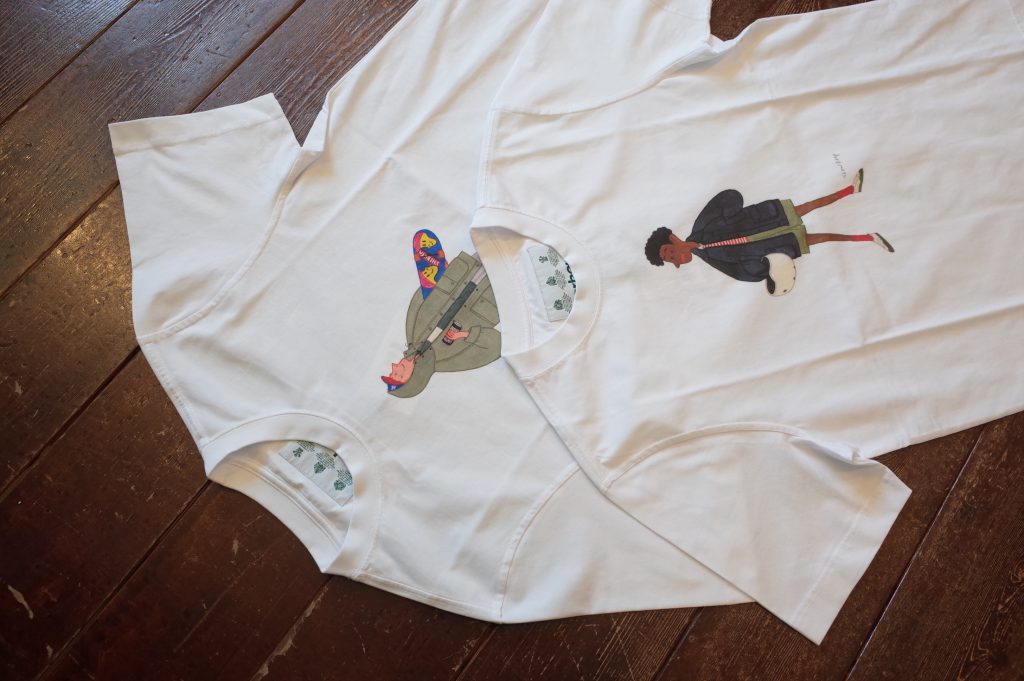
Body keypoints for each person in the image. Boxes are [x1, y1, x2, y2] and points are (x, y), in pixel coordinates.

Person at [644, 169, 893, 295]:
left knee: (810, 206)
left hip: (767, 219)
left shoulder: (703, 226)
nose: (676, 261)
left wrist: (735, 220)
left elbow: (731, 198)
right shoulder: (710, 258)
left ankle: (850, 190)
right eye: (671, 261)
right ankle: (866, 237)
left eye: (669, 253)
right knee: (822, 238)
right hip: (776, 244)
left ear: (673, 239)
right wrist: (766, 267)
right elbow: (744, 273)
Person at [382, 251, 501, 397]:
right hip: (492, 291)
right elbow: (497, 346)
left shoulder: (411, 332)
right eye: (399, 375)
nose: (395, 366)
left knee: (493, 244)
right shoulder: (450, 361)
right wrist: (465, 334)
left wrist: (441, 272)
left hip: (464, 273)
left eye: (392, 372)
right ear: (416, 377)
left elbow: (421, 295)